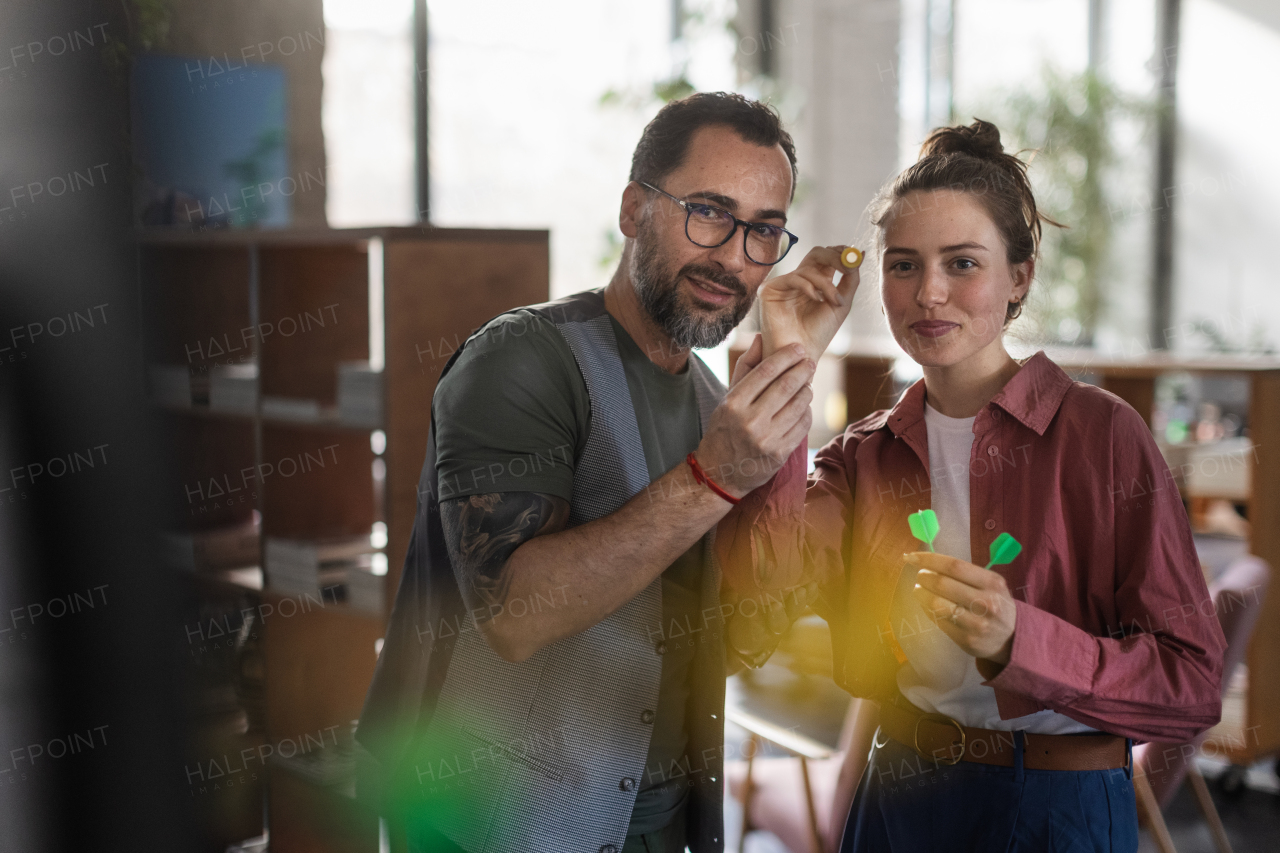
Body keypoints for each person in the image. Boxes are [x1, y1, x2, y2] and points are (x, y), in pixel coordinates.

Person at [355, 91, 858, 853]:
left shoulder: (717, 404)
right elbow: (514, 615)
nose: (732, 256)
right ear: (633, 209)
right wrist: (715, 477)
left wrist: (791, 362)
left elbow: (743, 639)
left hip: (653, 825)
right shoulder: (519, 358)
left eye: (763, 232)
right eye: (709, 213)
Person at [717, 119, 1227, 852]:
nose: (929, 292)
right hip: (897, 797)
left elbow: (1193, 684)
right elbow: (754, 604)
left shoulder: (1100, 435)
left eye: (962, 263)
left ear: (1019, 277)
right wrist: (791, 360)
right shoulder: (864, 456)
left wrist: (1022, 638)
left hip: (1058, 806)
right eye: (902, 265)